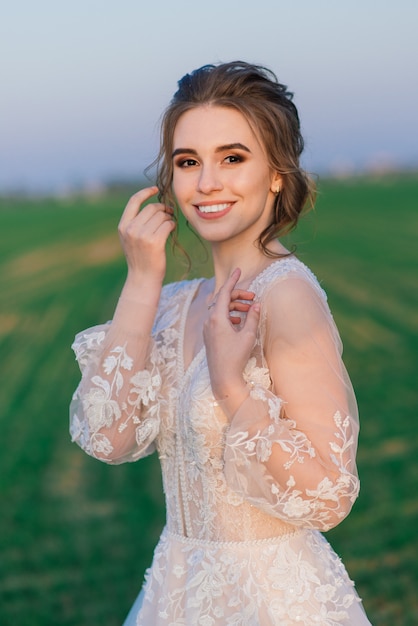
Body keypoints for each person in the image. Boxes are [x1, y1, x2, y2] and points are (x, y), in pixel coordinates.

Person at [70, 61, 372, 625]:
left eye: (232, 158)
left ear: (276, 173)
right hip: (174, 592)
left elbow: (330, 495)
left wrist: (231, 387)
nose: (207, 182)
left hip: (272, 604)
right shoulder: (177, 301)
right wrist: (141, 280)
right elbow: (105, 435)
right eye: (188, 162)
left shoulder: (286, 297)